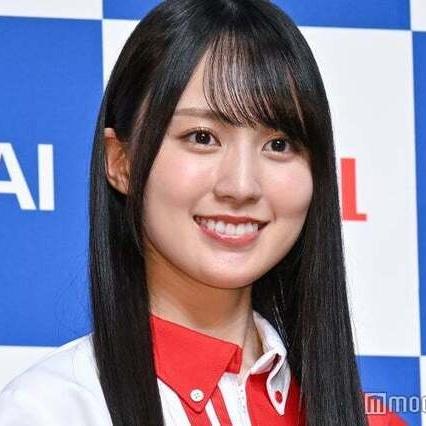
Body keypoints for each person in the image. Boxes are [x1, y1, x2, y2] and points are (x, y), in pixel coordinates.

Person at [0, 1, 407, 425]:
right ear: (121, 161)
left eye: (279, 144)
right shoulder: (52, 410)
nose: (241, 185)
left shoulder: (372, 420)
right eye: (202, 137)